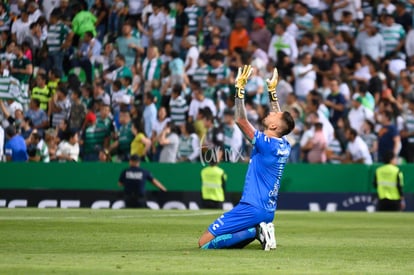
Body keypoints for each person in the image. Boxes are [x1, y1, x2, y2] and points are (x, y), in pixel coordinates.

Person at [198, 65, 295, 250]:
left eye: (274, 114)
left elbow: (241, 120)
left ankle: (256, 231)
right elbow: (282, 123)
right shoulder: (284, 145)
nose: (272, 112)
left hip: (251, 208)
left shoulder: (265, 143)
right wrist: (272, 92)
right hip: (268, 211)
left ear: (274, 127)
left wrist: (239, 89)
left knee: (204, 243)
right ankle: (260, 229)